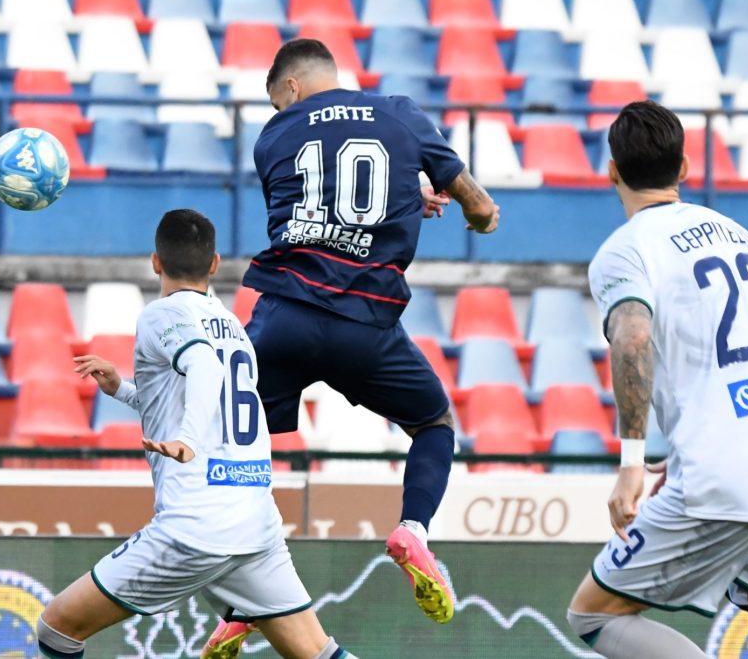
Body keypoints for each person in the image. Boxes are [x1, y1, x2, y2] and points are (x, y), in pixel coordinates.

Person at [201, 38, 501, 654]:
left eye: (277, 100)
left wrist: (402, 192)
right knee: (434, 424)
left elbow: (315, 205)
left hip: (285, 314)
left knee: (234, 446)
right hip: (367, 323)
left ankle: (244, 601)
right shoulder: (402, 114)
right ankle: (413, 530)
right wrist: (466, 212)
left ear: (289, 88)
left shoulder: (272, 137)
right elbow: (478, 207)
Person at [36, 209, 360, 659]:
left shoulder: (161, 314)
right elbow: (202, 398)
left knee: (56, 628)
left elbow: (204, 368)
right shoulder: (232, 326)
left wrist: (187, 440)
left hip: (195, 527)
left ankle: (232, 611)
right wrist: (122, 390)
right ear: (214, 264)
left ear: (155, 262)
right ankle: (239, 611)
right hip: (255, 524)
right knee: (318, 652)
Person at [566, 100, 748, 658]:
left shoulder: (626, 250)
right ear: (685, 167)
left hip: (721, 479)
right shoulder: (738, 235)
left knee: (592, 613)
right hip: (729, 455)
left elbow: (632, 339)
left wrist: (632, 463)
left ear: (611, 171)